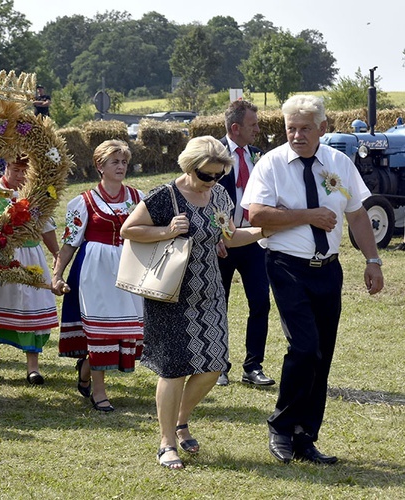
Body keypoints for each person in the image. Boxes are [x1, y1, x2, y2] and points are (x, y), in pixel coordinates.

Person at [243, 95, 384, 465]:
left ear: (323, 128)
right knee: (304, 347)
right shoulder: (271, 164)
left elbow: (356, 215)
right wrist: (309, 215)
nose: (297, 135)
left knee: (322, 354)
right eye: (291, 128)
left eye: (306, 128)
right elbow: (256, 213)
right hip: (286, 265)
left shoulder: (339, 162)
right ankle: (281, 425)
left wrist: (372, 260)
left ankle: (306, 436)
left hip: (328, 269)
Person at [121, 136, 269, 470]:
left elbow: (230, 235)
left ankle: (180, 420)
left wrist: (263, 231)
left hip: (210, 292)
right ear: (190, 168)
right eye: (206, 176)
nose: (212, 182)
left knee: (215, 365)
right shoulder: (164, 196)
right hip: (171, 294)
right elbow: (129, 230)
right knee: (173, 371)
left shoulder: (218, 195)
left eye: (218, 175)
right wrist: (167, 231)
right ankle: (166, 443)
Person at [52, 139, 144, 412]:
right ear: (99, 166)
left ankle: (86, 369)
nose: (121, 166)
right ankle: (100, 392)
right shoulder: (83, 202)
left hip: (128, 269)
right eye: (114, 161)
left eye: (124, 161)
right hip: (94, 270)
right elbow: (69, 242)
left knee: (125, 330)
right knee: (99, 331)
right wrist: (57, 275)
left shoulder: (138, 198)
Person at [0, 155, 61, 384]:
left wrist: (56, 253)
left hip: (30, 255)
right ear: (5, 167)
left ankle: (32, 367)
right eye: (16, 170)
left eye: (26, 171)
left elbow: (46, 226)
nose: (21, 176)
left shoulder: (35, 192)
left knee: (32, 305)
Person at [216, 100, 274, 387]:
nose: (258, 129)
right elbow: (201, 198)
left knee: (261, 302)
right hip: (221, 243)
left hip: (253, 240)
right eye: (253, 125)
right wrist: (216, 236)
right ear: (235, 127)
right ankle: (218, 366)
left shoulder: (259, 156)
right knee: (218, 304)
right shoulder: (212, 154)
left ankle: (253, 367)